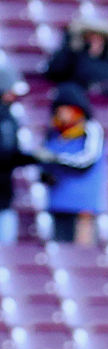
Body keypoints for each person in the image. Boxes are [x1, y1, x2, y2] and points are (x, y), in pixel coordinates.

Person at [38, 83, 107, 245]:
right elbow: (44, 164)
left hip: (83, 204)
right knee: (62, 252)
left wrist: (56, 160)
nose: (63, 113)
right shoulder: (54, 133)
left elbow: (86, 161)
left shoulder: (90, 130)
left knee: (83, 254)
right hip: (58, 203)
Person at [0, 66, 37, 245]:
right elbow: (6, 154)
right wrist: (31, 158)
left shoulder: (9, 116)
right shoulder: (5, 118)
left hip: (4, 193)